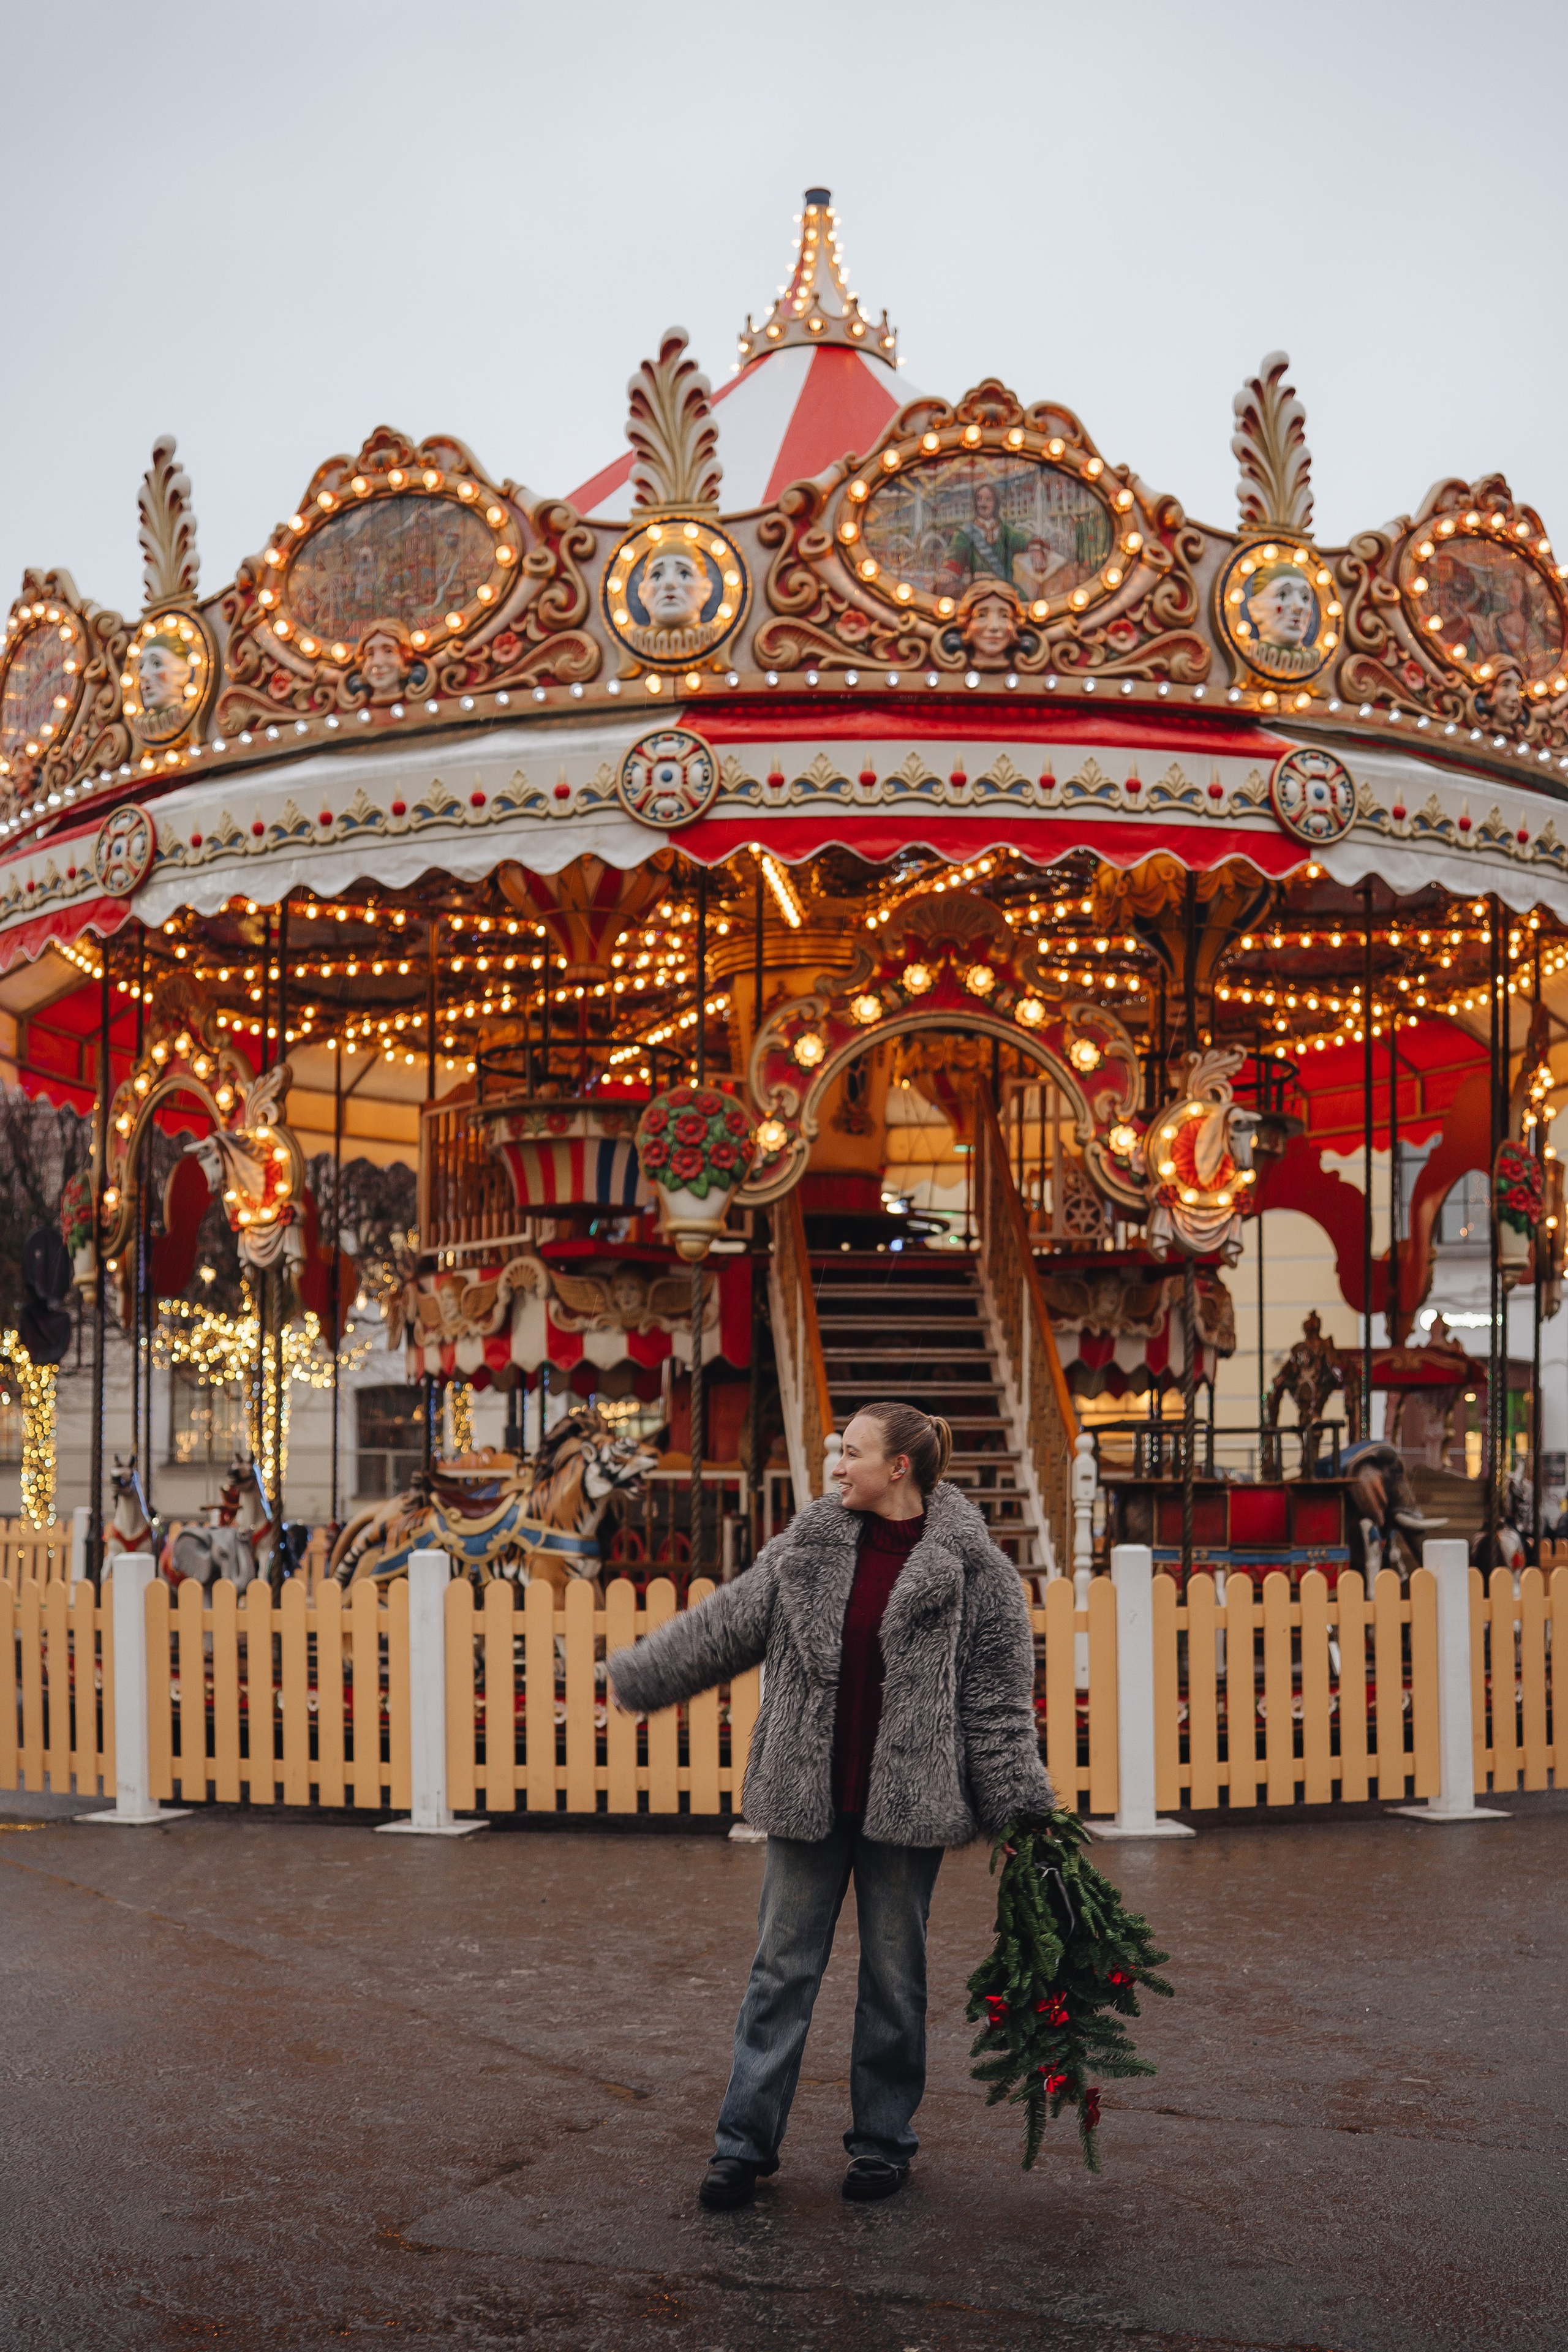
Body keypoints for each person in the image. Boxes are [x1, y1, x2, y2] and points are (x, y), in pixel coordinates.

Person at [606, 1400, 1053, 2211]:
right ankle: (742, 2147)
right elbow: (722, 1626)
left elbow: (997, 1708)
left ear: (899, 1469)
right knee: (780, 1971)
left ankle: (882, 2145)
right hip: (806, 1793)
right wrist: (639, 1676)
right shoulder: (803, 1547)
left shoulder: (977, 1571)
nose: (836, 1467)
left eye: (851, 1453)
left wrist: (1019, 1811)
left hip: (907, 1805)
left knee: (894, 1979)